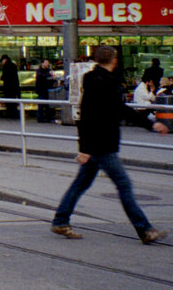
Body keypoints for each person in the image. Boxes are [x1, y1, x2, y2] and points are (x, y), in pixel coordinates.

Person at [51, 45, 168, 244]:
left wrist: (85, 147)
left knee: (81, 183)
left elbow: (87, 115)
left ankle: (61, 220)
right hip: (102, 145)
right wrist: (151, 124)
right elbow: (115, 111)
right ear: (113, 60)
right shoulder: (103, 83)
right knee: (123, 185)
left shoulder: (96, 80)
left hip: (97, 143)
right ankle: (145, 229)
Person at [35, 58, 56, 123]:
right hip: (41, 89)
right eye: (46, 63)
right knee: (41, 104)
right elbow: (40, 77)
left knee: (47, 105)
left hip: (47, 89)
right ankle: (40, 117)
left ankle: (48, 117)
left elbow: (53, 77)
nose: (47, 64)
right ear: (42, 63)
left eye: (48, 63)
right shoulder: (39, 71)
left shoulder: (49, 70)